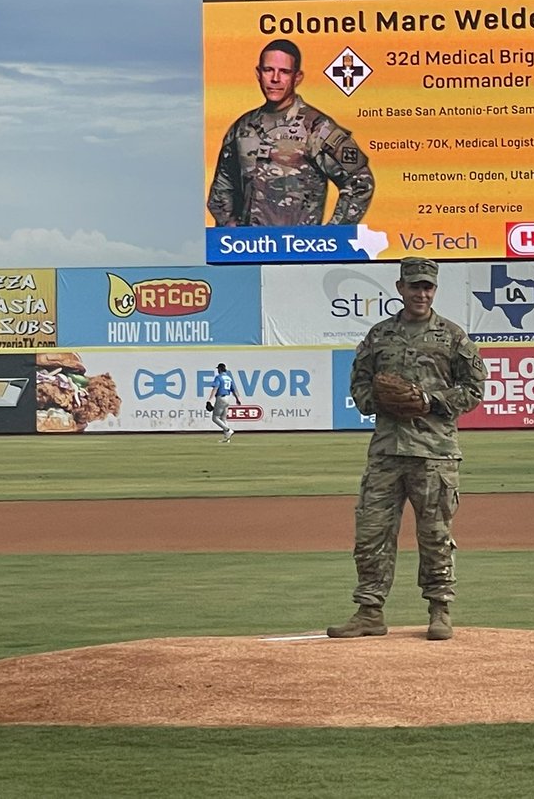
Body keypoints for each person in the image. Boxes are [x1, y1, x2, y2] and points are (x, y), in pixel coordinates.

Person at [328, 257, 486, 642]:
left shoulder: (452, 337)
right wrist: (378, 401)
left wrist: (429, 401)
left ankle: (439, 609)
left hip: (434, 452)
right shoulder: (379, 335)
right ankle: (369, 612)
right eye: (414, 286)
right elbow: (360, 384)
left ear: (434, 290)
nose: (421, 293)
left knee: (434, 534)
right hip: (386, 450)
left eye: (427, 287)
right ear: (400, 288)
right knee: (371, 532)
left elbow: (474, 391)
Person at [207, 38, 375, 227]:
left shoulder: (316, 127)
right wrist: (230, 230)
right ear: (258, 73)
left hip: (298, 251)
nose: (275, 79)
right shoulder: (242, 128)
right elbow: (223, 187)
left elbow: (360, 182)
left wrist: (332, 236)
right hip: (250, 251)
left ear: (297, 77)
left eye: (284, 72)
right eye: (268, 70)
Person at [207, 362, 241, 443]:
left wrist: (210, 399)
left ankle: (228, 430)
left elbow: (215, 388)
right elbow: (233, 390)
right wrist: (237, 399)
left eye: (218, 369)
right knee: (223, 418)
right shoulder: (229, 378)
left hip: (221, 398)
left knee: (215, 418)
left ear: (219, 369)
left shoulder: (219, 377)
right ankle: (227, 438)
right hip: (228, 398)